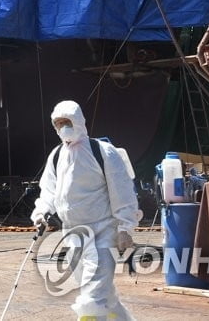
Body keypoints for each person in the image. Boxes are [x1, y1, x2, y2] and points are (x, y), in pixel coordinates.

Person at [30, 100, 139, 320]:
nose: (63, 127)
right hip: (73, 236)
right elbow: (49, 191)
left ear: (78, 121)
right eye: (58, 124)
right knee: (103, 296)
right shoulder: (57, 156)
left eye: (67, 121)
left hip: (102, 234)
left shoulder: (102, 152)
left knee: (92, 298)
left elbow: (122, 190)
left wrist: (126, 226)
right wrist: (41, 213)